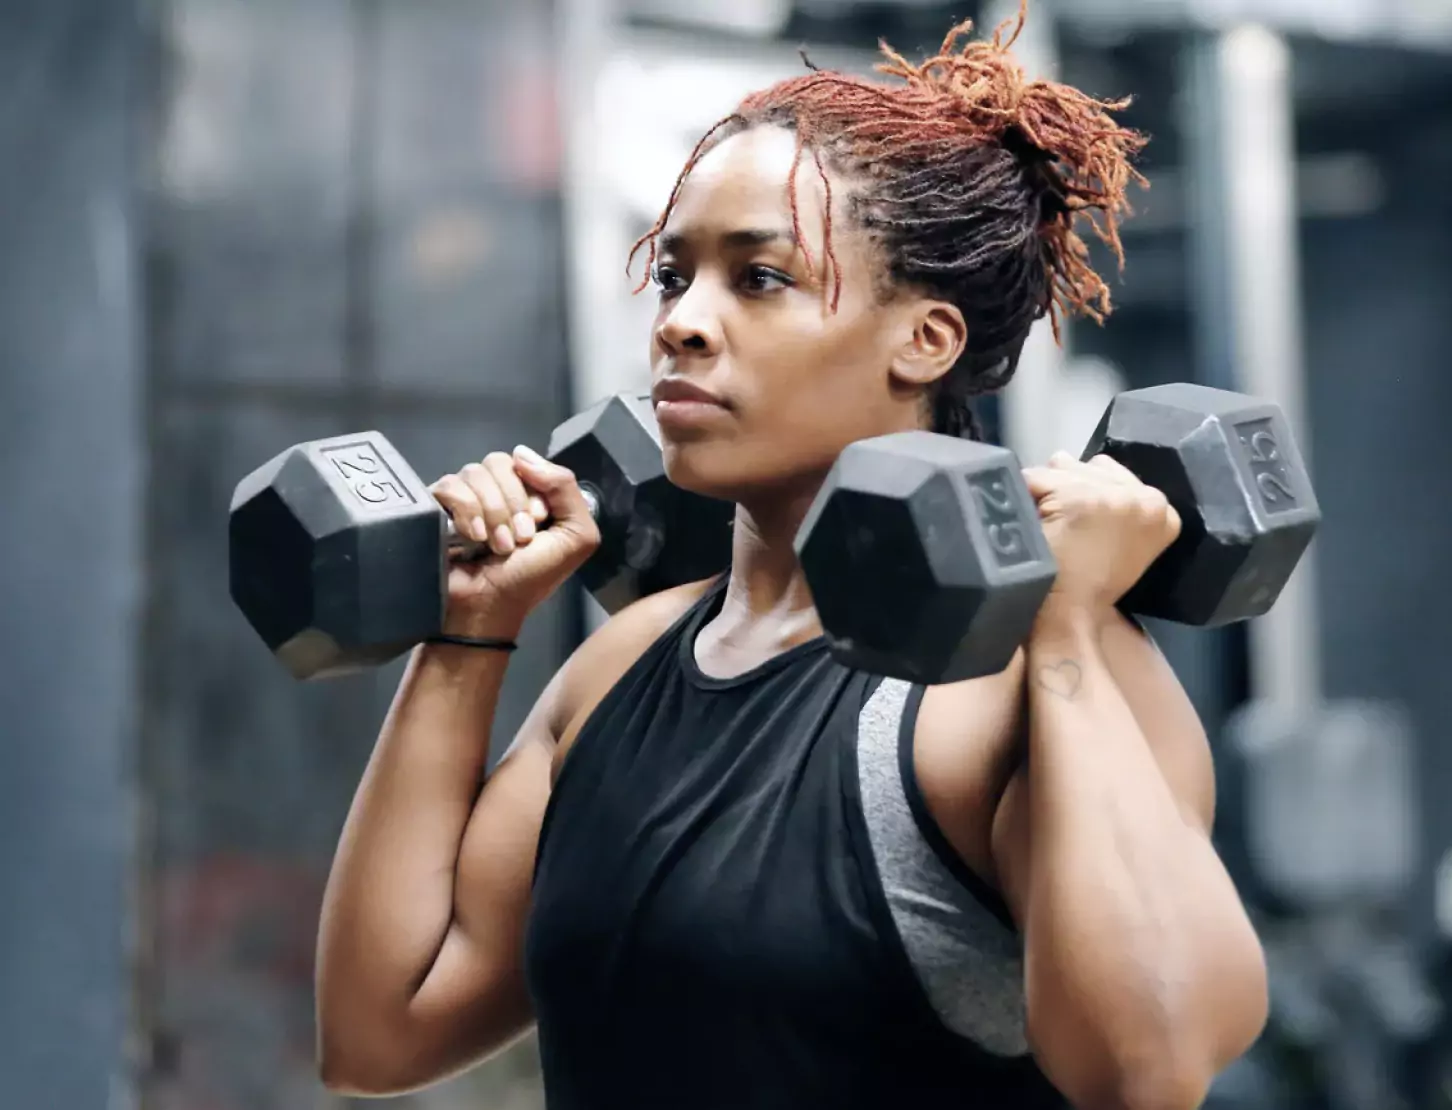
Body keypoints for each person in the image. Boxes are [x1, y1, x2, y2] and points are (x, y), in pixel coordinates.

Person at [312, 6, 1270, 1107]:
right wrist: (466, 634)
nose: (681, 323)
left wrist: (1063, 634)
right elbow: (378, 1034)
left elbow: (1147, 1068)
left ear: (925, 340)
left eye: (757, 279)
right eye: (674, 277)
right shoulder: (622, 662)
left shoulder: (1021, 674)